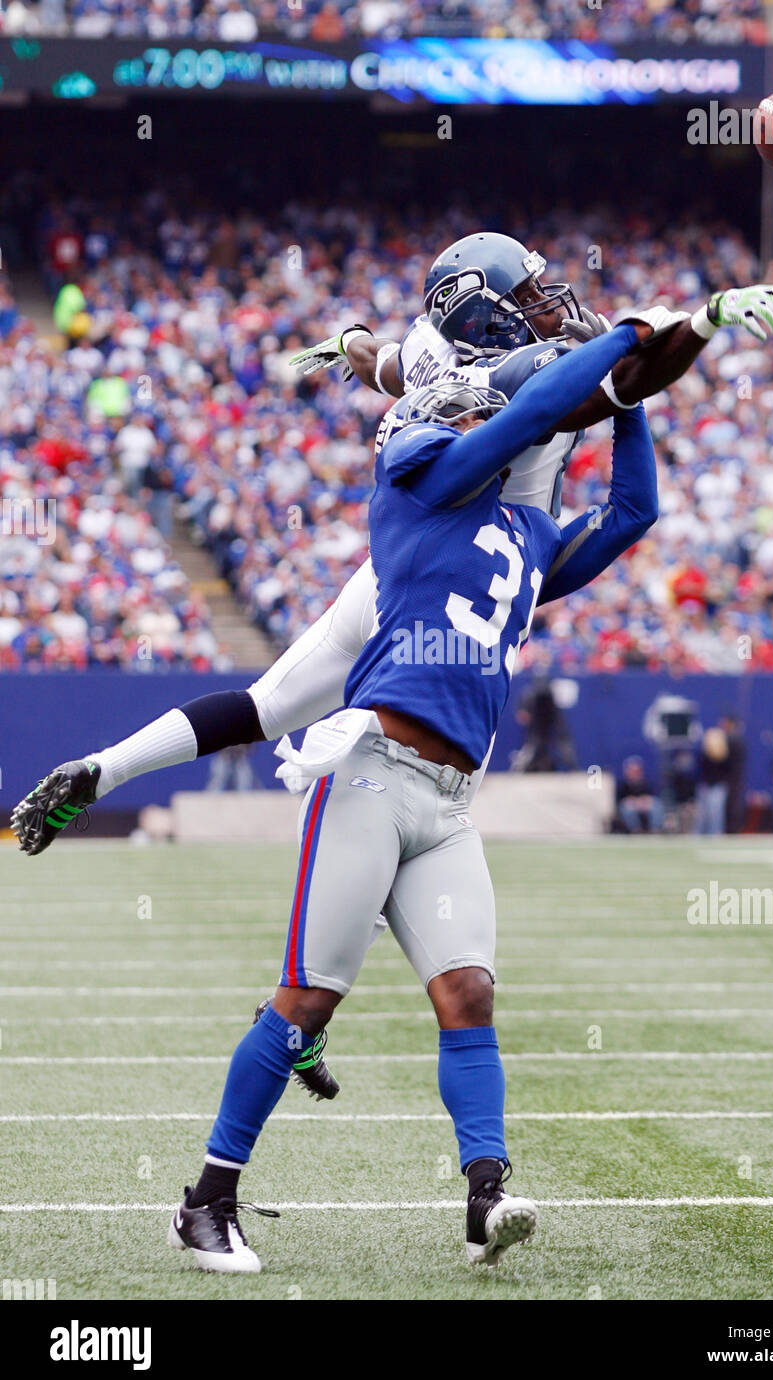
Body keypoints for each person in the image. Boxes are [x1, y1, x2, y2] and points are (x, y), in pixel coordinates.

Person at [12, 231, 773, 851]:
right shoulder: (525, 367)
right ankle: (335, 940)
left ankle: (103, 768)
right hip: (472, 575)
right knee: (430, 800)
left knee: (264, 707)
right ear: (484, 308)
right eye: (528, 292)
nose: (553, 301)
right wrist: (704, 318)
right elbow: (621, 382)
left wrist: (347, 338)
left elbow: (374, 359)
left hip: (391, 570)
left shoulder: (430, 352)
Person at [165, 323, 658, 1274]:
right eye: (475, 411)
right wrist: (630, 338)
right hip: (373, 773)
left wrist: (630, 404)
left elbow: (632, 511)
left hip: (449, 801)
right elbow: (539, 409)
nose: (488, 421)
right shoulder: (417, 484)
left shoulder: (523, 533)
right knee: (305, 1001)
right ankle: (205, 1201)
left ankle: (486, 1196)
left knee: (467, 990)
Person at [513, 671, 578, 772]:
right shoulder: (530, 694)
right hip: (537, 724)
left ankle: (573, 767)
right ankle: (520, 768)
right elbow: (523, 716)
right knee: (532, 744)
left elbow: (557, 718)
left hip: (551, 720)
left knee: (562, 741)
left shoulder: (552, 696)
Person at [694, 726, 730, 835]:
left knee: (716, 814)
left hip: (717, 787)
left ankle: (715, 834)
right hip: (705, 786)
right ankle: (699, 834)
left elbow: (725, 773)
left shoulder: (724, 756)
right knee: (702, 814)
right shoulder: (704, 755)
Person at [615, 756, 662, 833]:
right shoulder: (623, 784)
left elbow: (651, 796)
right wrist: (633, 801)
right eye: (632, 770)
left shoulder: (645, 783)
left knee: (657, 806)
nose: (634, 773)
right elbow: (620, 800)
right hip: (631, 806)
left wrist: (644, 801)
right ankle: (636, 830)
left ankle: (655, 830)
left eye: (636, 771)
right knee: (627, 809)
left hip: (644, 805)